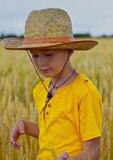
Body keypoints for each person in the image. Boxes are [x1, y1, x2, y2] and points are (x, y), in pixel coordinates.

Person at [1, 8, 102, 160]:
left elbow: (93, 150)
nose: (41, 63)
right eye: (35, 56)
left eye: (48, 54)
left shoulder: (84, 92)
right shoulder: (40, 89)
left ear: (69, 51)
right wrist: (25, 126)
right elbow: (52, 134)